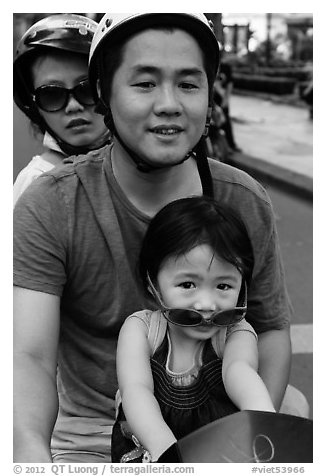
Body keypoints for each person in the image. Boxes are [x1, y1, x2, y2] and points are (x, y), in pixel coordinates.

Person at [14, 13, 294, 463]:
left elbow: (272, 330)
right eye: (144, 83)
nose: (169, 104)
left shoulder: (244, 199)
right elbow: (29, 357)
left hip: (221, 428)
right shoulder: (50, 204)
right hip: (90, 437)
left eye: (188, 83)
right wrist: (31, 458)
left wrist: (252, 442)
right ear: (103, 92)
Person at [112, 196, 276, 463]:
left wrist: (266, 424)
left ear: (242, 286)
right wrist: (168, 455)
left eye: (223, 286)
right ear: (152, 283)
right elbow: (136, 390)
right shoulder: (141, 329)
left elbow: (240, 372)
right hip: (156, 452)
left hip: (219, 454)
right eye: (188, 284)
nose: (207, 304)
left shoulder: (235, 333)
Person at [13, 14, 111, 206]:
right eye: (51, 95)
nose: (73, 106)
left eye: (87, 90)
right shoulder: (33, 184)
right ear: (34, 106)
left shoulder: (139, 169)